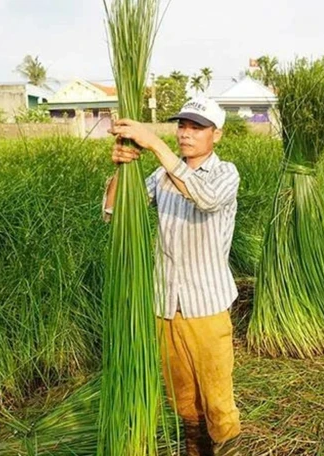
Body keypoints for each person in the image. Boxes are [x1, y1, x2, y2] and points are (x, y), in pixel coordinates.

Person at [102, 97, 242, 456]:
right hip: (166, 304)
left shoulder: (226, 173)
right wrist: (122, 168)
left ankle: (226, 448)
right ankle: (194, 447)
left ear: (217, 134)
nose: (186, 134)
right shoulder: (159, 176)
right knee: (181, 395)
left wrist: (154, 144)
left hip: (206, 305)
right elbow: (114, 212)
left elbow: (205, 198)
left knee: (217, 397)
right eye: (182, 125)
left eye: (197, 127)